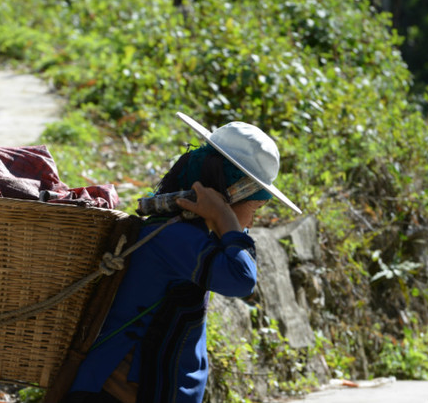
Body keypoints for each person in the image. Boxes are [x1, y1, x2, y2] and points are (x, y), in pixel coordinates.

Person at [65, 112, 301, 403]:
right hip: (121, 393)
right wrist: (225, 218)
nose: (255, 215)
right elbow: (242, 280)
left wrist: (223, 221)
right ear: (231, 194)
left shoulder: (185, 235)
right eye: (256, 204)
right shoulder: (177, 239)